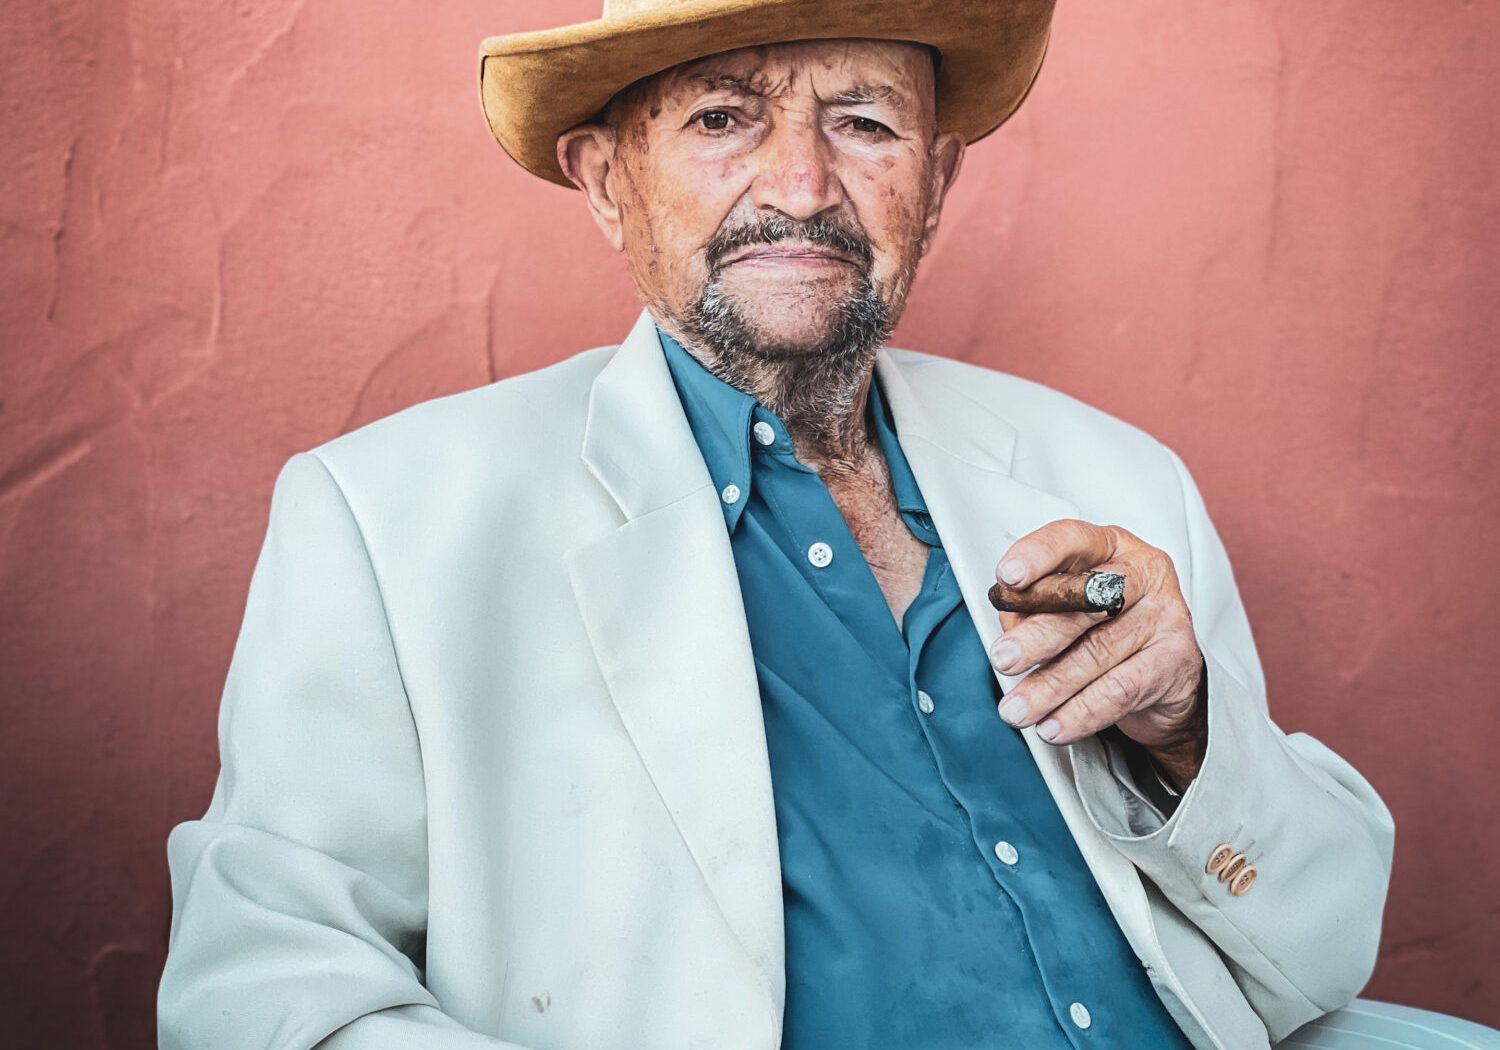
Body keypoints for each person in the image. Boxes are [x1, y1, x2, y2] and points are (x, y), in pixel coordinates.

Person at [158, 2, 1401, 1047]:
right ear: (607, 181)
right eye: (722, 117)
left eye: (864, 123)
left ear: (938, 178)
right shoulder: (391, 521)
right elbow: (265, 989)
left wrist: (1186, 733)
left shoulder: (1116, 479)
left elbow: (1324, 945)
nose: (803, 186)